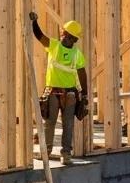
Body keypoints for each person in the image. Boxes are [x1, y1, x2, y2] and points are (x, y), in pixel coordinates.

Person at [29, 12, 88, 166]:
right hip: (61, 92)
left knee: (59, 123)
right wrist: (34, 22)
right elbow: (39, 35)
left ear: (74, 39)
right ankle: (56, 154)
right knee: (57, 123)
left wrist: (84, 95)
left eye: (68, 36)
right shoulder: (62, 49)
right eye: (65, 34)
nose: (65, 37)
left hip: (64, 93)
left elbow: (82, 75)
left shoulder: (66, 51)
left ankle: (57, 154)